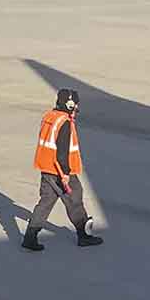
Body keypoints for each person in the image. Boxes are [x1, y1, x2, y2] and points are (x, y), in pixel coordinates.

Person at [23, 88, 103, 252]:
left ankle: (30, 237)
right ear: (70, 104)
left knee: (45, 203)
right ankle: (83, 235)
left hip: (46, 169)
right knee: (75, 199)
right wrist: (65, 175)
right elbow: (62, 152)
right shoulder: (64, 123)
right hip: (60, 171)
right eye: (76, 105)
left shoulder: (49, 117)